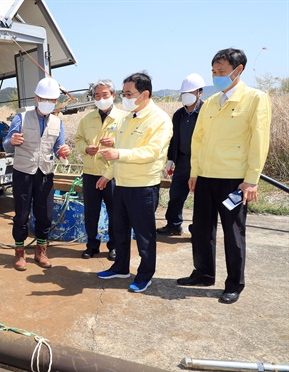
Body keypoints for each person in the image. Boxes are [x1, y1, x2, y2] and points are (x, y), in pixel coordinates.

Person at [177, 48, 271, 304]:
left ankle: (234, 284)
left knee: (233, 233)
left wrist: (251, 179)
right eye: (214, 72)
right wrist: (195, 172)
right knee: (202, 230)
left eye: (221, 72)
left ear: (238, 70)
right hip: (206, 177)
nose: (216, 76)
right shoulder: (212, 102)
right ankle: (203, 273)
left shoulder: (255, 99)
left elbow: (259, 141)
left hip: (234, 179)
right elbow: (199, 139)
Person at [95, 72, 173, 293]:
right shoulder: (127, 118)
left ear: (145, 94)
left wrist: (118, 154)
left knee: (144, 235)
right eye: (124, 93)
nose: (125, 98)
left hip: (143, 186)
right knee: (119, 230)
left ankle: (145, 274)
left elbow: (151, 152)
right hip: (121, 185)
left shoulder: (159, 120)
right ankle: (120, 266)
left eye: (129, 94)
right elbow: (117, 152)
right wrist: (108, 175)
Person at [3, 77, 71, 271]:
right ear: (36, 98)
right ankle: (19, 252)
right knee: (21, 214)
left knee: (45, 214)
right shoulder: (21, 118)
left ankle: (41, 251)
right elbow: (7, 144)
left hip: (45, 173)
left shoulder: (58, 123)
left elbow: (59, 148)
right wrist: (12, 141)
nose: (47, 103)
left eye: (51, 100)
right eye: (44, 99)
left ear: (56, 102)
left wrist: (63, 151)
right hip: (23, 172)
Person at [74, 79, 127, 261]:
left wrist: (114, 143)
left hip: (112, 173)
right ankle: (92, 245)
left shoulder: (124, 118)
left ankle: (113, 246)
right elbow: (79, 139)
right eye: (97, 95)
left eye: (105, 95)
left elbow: (129, 144)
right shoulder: (87, 118)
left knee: (115, 212)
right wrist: (85, 149)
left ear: (113, 95)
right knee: (91, 212)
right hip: (90, 172)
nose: (101, 98)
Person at [157, 73, 205, 236]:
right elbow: (174, 138)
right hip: (183, 160)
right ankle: (173, 224)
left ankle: (199, 230)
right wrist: (171, 159)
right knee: (176, 194)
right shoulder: (179, 115)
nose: (186, 96)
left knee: (201, 198)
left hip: (201, 162)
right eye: (184, 93)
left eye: (190, 93)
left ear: (200, 92)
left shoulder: (207, 112)